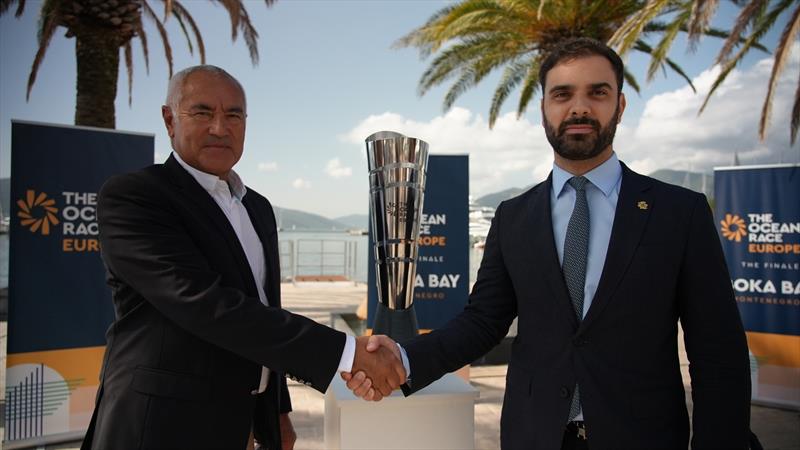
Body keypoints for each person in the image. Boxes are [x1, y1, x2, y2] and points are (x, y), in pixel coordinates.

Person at [346, 38, 751, 449]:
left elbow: (717, 349)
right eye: (562, 94)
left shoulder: (679, 213)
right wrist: (405, 359)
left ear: (621, 106)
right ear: (544, 110)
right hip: (534, 435)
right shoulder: (513, 217)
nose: (579, 107)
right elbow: (483, 321)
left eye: (598, 92)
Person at [81, 65, 404, 450]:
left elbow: (266, 307)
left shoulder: (258, 208)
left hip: (241, 426)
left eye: (233, 114)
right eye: (202, 112)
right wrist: (348, 354)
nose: (220, 127)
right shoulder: (135, 197)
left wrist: (277, 412)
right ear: (170, 119)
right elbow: (207, 305)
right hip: (157, 425)